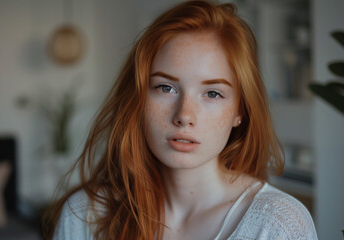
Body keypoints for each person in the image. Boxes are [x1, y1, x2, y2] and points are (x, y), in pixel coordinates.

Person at [44, 1, 318, 239]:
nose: (184, 115)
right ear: (138, 99)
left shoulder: (279, 226)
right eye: (166, 88)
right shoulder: (85, 216)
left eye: (212, 93)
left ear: (240, 111)